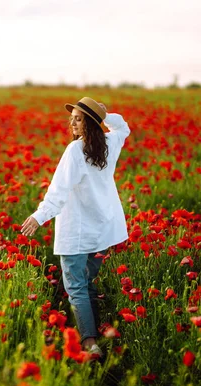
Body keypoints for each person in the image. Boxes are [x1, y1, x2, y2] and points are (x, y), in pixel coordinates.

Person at [20, 97, 131, 358]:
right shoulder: (110, 143)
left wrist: (39, 216)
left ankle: (89, 342)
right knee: (88, 283)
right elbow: (122, 126)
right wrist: (104, 114)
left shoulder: (75, 151)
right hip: (102, 230)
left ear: (90, 123)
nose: (72, 122)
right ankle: (97, 330)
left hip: (77, 232)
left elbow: (59, 191)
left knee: (77, 287)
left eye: (79, 118)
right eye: (72, 118)